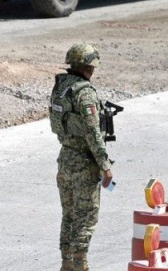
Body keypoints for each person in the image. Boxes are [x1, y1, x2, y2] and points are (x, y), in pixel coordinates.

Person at [50, 43, 114, 271]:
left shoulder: (61, 88)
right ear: (89, 66)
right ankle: (80, 265)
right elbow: (92, 132)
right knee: (86, 217)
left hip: (65, 157)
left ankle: (66, 264)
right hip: (83, 163)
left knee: (68, 215)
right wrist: (105, 165)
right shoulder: (84, 92)